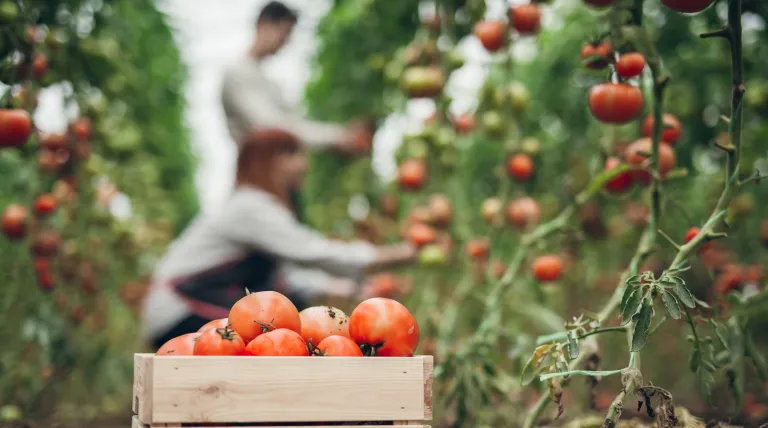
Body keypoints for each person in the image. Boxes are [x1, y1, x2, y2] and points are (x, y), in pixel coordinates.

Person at [141, 129, 416, 350]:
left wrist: (351, 289)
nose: (304, 164)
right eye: (293, 154)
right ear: (269, 161)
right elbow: (312, 252)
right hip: (180, 311)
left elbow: (288, 280)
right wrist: (392, 255)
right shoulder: (252, 207)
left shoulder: (253, 207)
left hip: (185, 306)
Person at [221, 1, 367, 154]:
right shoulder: (238, 73)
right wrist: (338, 137)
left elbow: (292, 123)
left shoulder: (265, 80)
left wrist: (340, 134)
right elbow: (271, 127)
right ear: (264, 24)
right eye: (284, 32)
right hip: (256, 173)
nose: (286, 41)